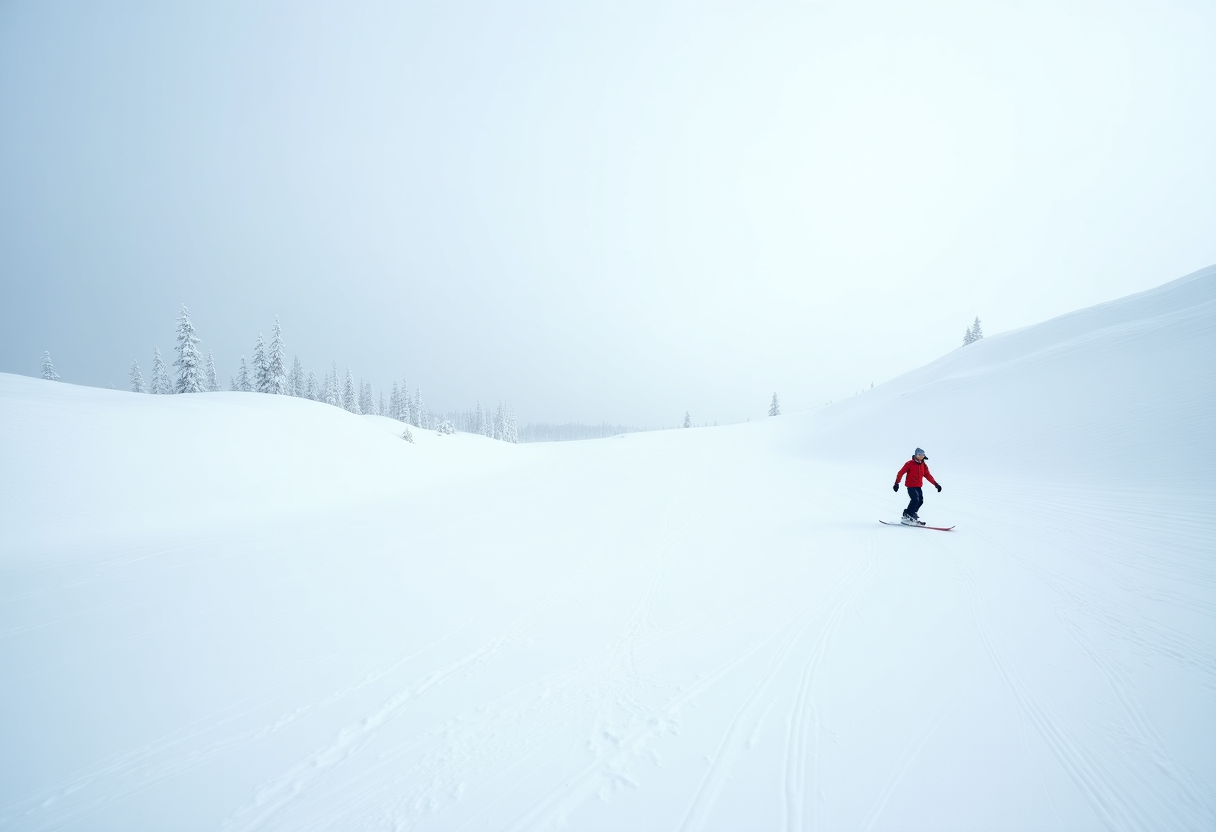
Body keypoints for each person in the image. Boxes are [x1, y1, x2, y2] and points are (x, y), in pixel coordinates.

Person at [893, 448, 941, 525]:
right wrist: (896, 483)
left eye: (922, 455)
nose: (921, 457)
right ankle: (908, 516)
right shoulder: (909, 463)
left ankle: (910, 515)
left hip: (918, 486)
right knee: (915, 499)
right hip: (911, 486)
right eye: (919, 455)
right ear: (916, 455)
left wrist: (936, 484)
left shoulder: (923, 465)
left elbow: (928, 475)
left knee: (920, 501)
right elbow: (900, 473)